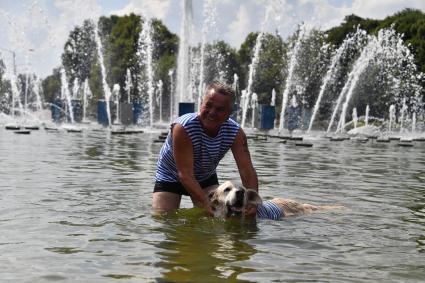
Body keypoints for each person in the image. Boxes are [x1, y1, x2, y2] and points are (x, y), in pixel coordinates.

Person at [153, 82, 258, 216]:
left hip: (205, 176)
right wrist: (204, 202)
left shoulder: (235, 133)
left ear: (229, 113)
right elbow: (185, 175)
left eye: (220, 109)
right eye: (208, 105)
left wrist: (252, 202)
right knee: (163, 219)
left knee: (217, 217)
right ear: (201, 104)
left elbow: (247, 171)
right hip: (170, 176)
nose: (212, 113)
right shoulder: (183, 127)